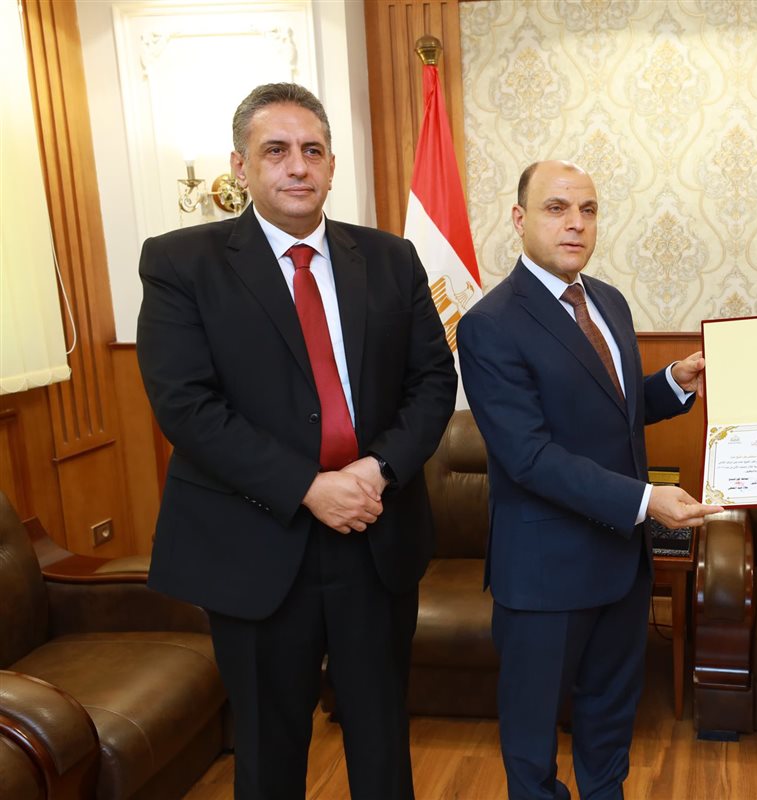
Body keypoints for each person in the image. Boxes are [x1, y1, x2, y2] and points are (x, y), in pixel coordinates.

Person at [136, 82, 457, 799]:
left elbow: (434, 381)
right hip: (255, 544)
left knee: (383, 741)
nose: (297, 166)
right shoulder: (181, 263)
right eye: (275, 150)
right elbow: (186, 405)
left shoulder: (391, 258)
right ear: (240, 165)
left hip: (374, 535)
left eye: (312, 151)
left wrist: (377, 471)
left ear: (333, 166)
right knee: (268, 749)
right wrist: (309, 487)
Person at [457, 160, 721, 799]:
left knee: (609, 724)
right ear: (519, 219)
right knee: (532, 746)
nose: (575, 223)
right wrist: (645, 500)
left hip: (620, 562)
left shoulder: (607, 300)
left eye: (589, 210)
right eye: (556, 208)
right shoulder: (490, 324)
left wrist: (671, 384)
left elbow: (610, 412)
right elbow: (529, 456)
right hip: (544, 573)